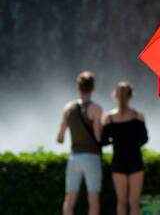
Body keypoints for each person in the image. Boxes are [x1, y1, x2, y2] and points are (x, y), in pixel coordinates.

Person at [56, 71, 103, 215]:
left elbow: (60, 138)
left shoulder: (68, 108)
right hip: (92, 157)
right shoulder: (96, 109)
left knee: (70, 200)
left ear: (78, 88)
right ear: (93, 88)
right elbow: (98, 136)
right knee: (93, 200)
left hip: (74, 157)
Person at [101, 82, 148, 215]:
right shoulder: (137, 116)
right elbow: (144, 139)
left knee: (121, 202)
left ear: (115, 96)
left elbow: (103, 141)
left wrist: (116, 140)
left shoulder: (109, 118)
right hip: (135, 160)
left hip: (118, 161)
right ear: (131, 96)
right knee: (134, 202)